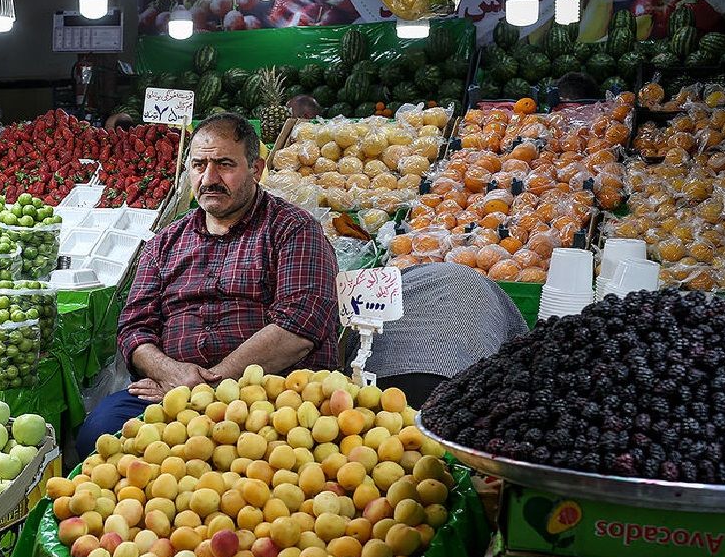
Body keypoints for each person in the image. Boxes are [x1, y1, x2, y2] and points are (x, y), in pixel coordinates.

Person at [75, 112, 340, 458]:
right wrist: (170, 373)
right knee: (97, 434)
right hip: (170, 391)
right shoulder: (164, 242)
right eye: (199, 165)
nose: (209, 178)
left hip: (269, 395)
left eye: (225, 165)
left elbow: (300, 325)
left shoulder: (293, 229)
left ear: (256, 170)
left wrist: (209, 382)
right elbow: (134, 329)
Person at [363, 262, 530, 404]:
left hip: (383, 379)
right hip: (460, 381)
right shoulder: (485, 293)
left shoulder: (402, 283)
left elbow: (361, 330)